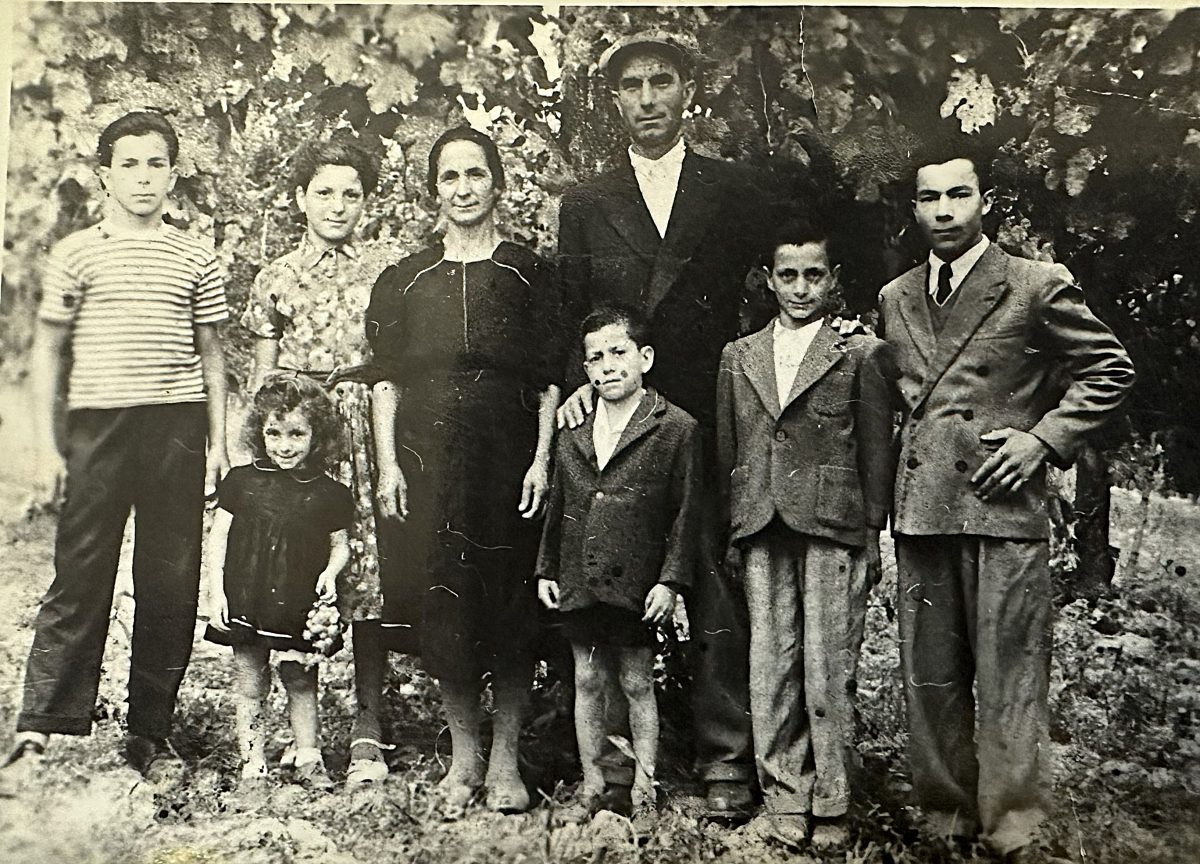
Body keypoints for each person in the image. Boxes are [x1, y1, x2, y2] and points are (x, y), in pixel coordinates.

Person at [877, 143, 1136, 861]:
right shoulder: (894, 298)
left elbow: (1109, 369)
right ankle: (945, 822)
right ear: (915, 209)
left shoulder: (1033, 282)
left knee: (1011, 676)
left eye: (959, 195)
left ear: (984, 202)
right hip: (926, 507)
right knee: (929, 677)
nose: (944, 212)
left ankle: (1012, 828)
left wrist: (1043, 441)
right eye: (930, 199)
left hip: (1002, 505)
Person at [556, 28, 766, 816]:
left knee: (706, 575)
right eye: (632, 86)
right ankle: (604, 761)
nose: (648, 99)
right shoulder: (586, 200)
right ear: (613, 100)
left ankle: (724, 758)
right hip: (610, 419)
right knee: (602, 579)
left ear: (688, 91)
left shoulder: (734, 190)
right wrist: (578, 386)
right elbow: (570, 312)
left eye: (662, 82)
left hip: (704, 412)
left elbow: (787, 279)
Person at [0, 111, 229, 794]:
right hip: (97, 428)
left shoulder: (196, 256)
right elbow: (48, 349)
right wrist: (47, 449)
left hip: (177, 428)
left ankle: (149, 731)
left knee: (168, 579)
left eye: (155, 163)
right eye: (128, 164)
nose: (142, 177)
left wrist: (220, 443)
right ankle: (40, 723)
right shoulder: (75, 253)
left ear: (173, 173)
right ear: (103, 174)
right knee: (81, 573)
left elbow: (213, 355)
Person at [365, 126, 562, 817]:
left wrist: (542, 460)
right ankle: (463, 755)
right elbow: (384, 381)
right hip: (430, 463)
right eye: (450, 177)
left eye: (476, 174)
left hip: (508, 459)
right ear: (433, 191)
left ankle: (506, 759)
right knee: (445, 604)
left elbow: (548, 382)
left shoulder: (528, 272)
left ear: (497, 183)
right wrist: (390, 464)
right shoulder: (405, 280)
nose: (464, 189)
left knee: (509, 605)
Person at [716, 222, 896, 850]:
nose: (800, 288)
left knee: (827, 663)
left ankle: (834, 798)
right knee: (771, 663)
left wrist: (871, 532)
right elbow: (728, 448)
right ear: (768, 280)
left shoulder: (860, 353)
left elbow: (877, 450)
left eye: (813, 275)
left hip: (833, 524)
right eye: (787, 275)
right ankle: (785, 792)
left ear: (834, 280)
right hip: (761, 522)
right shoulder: (739, 356)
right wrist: (734, 528)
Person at [238, 137, 397, 788]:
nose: (337, 205)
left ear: (366, 202)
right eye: (324, 192)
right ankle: (299, 727)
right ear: (300, 198)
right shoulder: (276, 277)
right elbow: (263, 377)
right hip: (295, 437)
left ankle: (367, 728)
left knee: (361, 572)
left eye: (351, 194)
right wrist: (259, 462)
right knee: (292, 564)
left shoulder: (383, 276)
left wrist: (387, 462)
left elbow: (388, 373)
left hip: (357, 429)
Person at [536, 306, 702, 819]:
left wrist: (671, 582)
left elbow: (686, 514)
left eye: (618, 353)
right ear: (584, 370)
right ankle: (593, 783)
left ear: (645, 357)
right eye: (595, 358)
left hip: (636, 583)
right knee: (586, 680)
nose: (607, 366)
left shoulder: (675, 427)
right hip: (580, 576)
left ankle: (644, 787)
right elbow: (559, 505)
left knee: (635, 682)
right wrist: (547, 568)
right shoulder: (574, 429)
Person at [204, 373, 352, 795]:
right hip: (246, 597)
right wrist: (217, 592)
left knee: (300, 677)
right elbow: (218, 538)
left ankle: (309, 756)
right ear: (259, 432)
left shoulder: (330, 493)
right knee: (250, 679)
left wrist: (330, 574)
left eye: (296, 434)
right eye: (274, 433)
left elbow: (339, 546)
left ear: (317, 435)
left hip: (296, 599)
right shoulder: (242, 482)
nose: (284, 445)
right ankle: (254, 763)